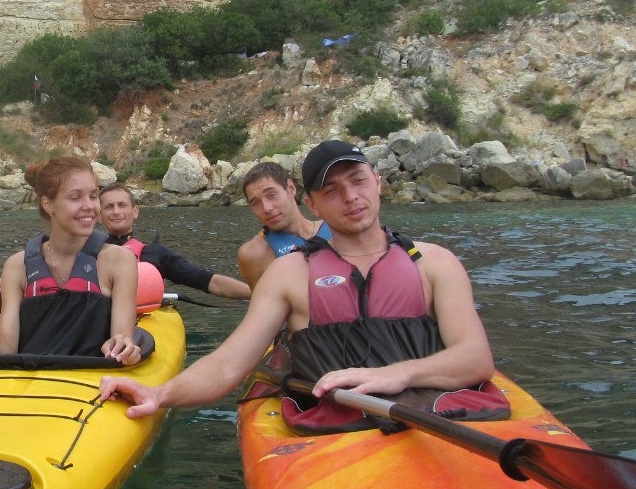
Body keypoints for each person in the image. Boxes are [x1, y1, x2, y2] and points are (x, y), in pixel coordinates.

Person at [101, 140, 503, 429]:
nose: (350, 197)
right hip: (338, 426)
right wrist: (160, 394)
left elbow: (474, 358)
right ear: (313, 203)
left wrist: (398, 374)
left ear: (377, 182)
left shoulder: (434, 263)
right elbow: (228, 364)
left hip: (442, 412)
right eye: (332, 190)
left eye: (359, 181)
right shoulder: (289, 273)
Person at [0, 156, 142, 365]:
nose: (90, 206)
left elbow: (121, 338)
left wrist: (121, 345)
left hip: (91, 385)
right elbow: (8, 348)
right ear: (48, 204)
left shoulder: (119, 261)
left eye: (93, 196)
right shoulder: (17, 266)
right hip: (30, 385)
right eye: (75, 197)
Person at [98, 183, 250, 301]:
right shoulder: (88, 252)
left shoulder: (156, 254)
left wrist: (257, 294)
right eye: (109, 207)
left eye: (122, 205)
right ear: (99, 215)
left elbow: (211, 282)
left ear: (135, 211)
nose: (116, 211)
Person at [236, 161, 332, 289]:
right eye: (256, 203)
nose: (266, 208)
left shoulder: (335, 228)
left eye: (271, 195)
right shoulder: (254, 254)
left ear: (291, 188)